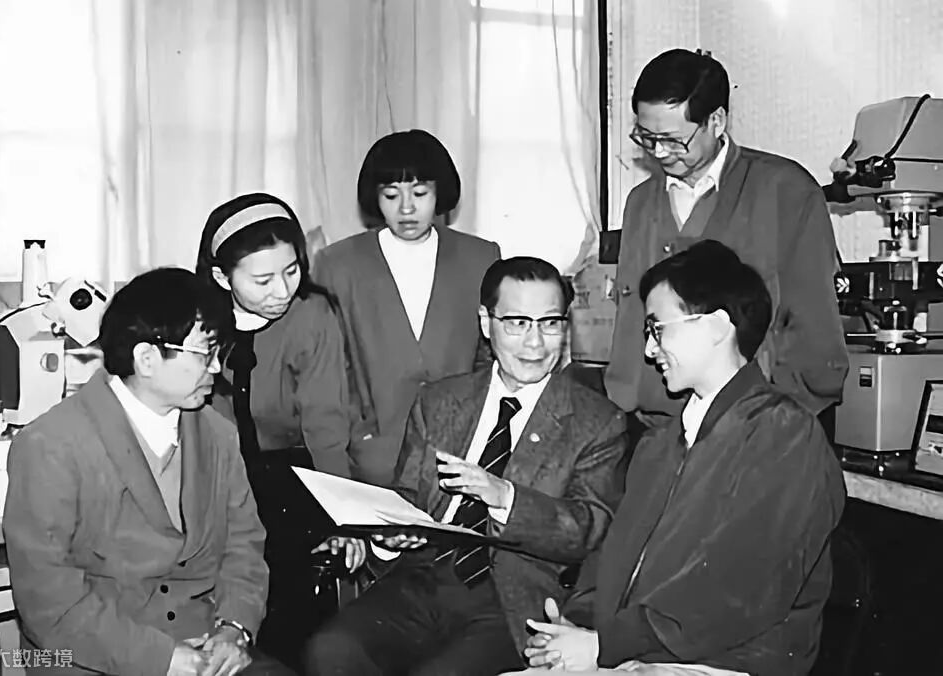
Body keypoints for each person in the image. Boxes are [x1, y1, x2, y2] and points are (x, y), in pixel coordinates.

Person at [516, 241, 845, 676]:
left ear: (716, 327)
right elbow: (611, 560)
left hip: (723, 663)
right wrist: (576, 625)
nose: (649, 351)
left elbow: (738, 589)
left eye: (658, 329)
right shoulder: (661, 444)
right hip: (636, 652)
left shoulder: (783, 434)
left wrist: (605, 645)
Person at [304, 256, 629, 676]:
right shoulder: (439, 401)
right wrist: (390, 538)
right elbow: (407, 496)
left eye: (550, 323)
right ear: (485, 322)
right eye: (517, 323)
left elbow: (589, 529)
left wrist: (505, 498)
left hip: (511, 598)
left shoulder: (597, 421)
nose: (535, 343)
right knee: (330, 650)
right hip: (422, 578)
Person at [3, 267, 292, 675]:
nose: (215, 368)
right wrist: (162, 658)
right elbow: (48, 600)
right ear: (147, 359)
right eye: (204, 353)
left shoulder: (217, 435)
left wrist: (234, 630)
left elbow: (243, 547)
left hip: (206, 647)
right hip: (97, 659)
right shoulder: (51, 445)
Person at [603, 48, 848, 433]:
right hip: (655, 427)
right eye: (647, 138)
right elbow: (631, 316)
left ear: (716, 121)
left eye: (673, 140)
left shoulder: (786, 191)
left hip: (755, 424)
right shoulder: (640, 202)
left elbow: (813, 324)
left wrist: (781, 416)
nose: (660, 152)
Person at [195, 193, 365, 667]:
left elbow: (326, 427)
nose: (282, 291)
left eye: (291, 271)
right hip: (221, 477)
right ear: (221, 278)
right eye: (263, 280)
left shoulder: (312, 315)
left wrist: (342, 519)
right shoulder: (200, 322)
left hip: (298, 479)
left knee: (292, 623)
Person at [312, 128, 501, 487]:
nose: (406, 208)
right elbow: (330, 371)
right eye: (391, 195)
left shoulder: (480, 258)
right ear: (375, 197)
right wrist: (357, 437)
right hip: (369, 460)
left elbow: (489, 357)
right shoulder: (337, 265)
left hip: (459, 458)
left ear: (440, 193)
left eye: (420, 193)